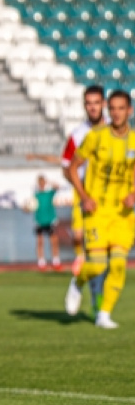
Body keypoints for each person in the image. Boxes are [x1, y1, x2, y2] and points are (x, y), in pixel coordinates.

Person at [64, 90, 135, 329]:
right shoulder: (95, 136)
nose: (116, 113)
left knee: (117, 265)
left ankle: (104, 313)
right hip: (97, 211)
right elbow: (72, 168)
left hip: (123, 215)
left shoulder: (134, 140)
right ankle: (78, 282)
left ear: (129, 111)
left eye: (121, 108)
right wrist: (83, 196)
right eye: (112, 108)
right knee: (97, 264)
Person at [60, 85, 106, 308]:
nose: (93, 107)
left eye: (96, 102)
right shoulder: (78, 135)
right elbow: (66, 167)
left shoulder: (118, 132)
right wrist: (81, 191)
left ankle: (97, 300)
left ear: (103, 104)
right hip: (85, 196)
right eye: (89, 103)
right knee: (82, 242)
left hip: (112, 199)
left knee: (108, 256)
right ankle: (80, 284)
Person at [33, 175, 60, 270]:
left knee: (54, 242)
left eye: (43, 182)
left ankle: (56, 262)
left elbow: (57, 187)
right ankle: (41, 263)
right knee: (40, 242)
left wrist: (49, 181)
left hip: (50, 220)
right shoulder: (35, 195)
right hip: (39, 221)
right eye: (40, 182)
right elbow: (29, 207)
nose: (42, 184)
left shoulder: (49, 193)